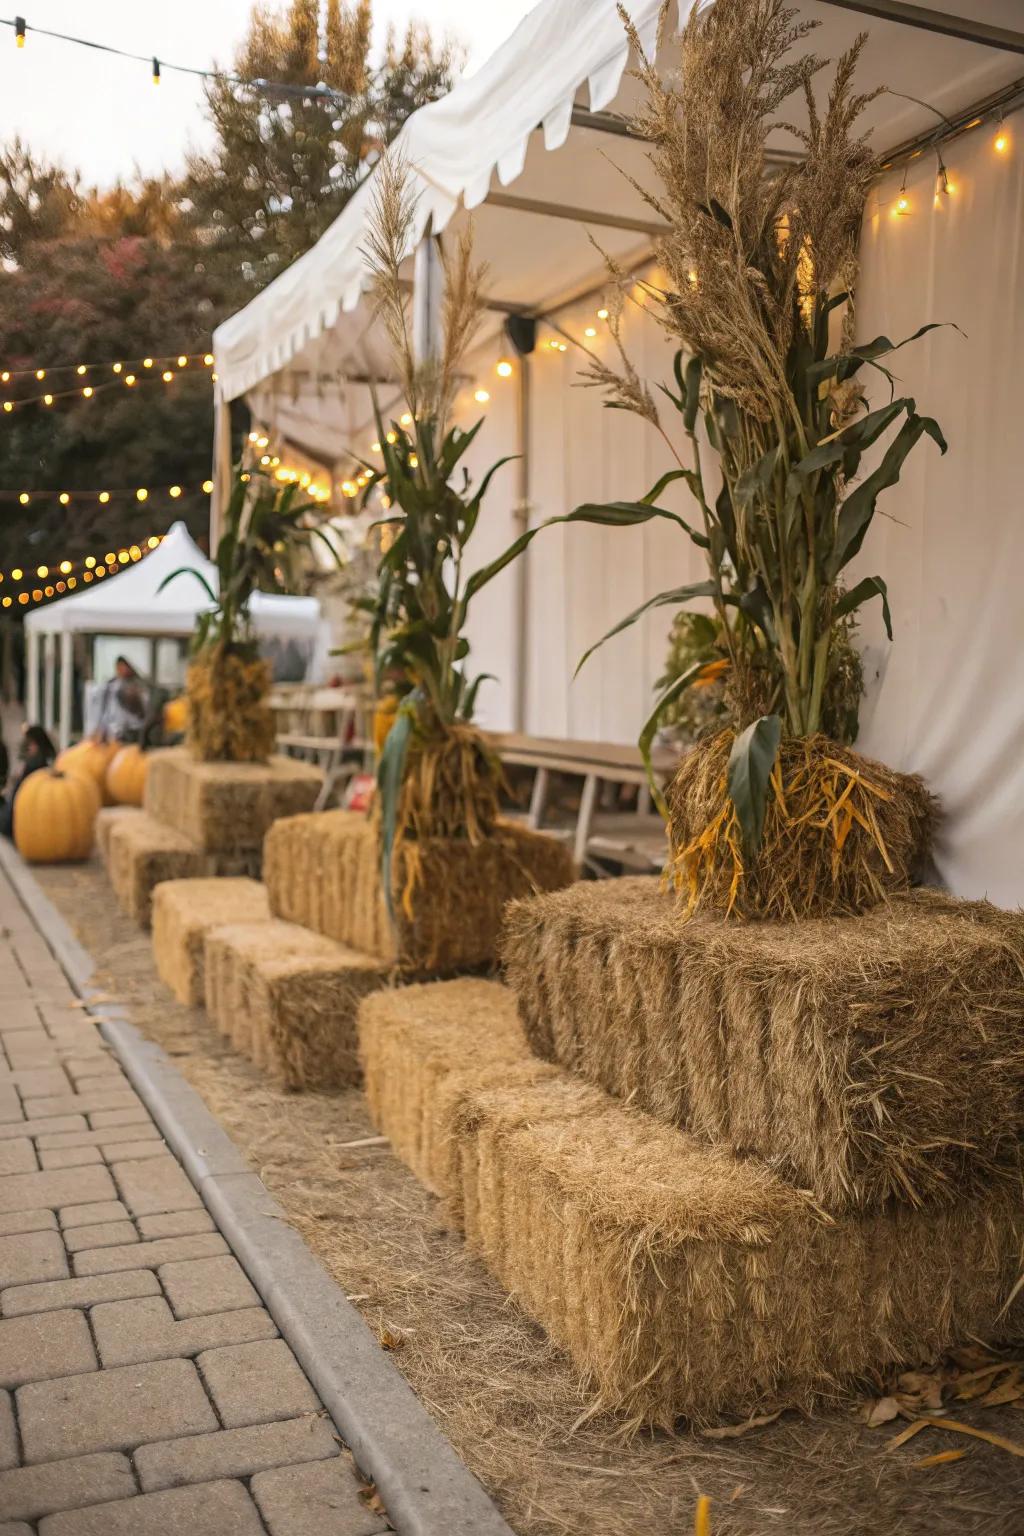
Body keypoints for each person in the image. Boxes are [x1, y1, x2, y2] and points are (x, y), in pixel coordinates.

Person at [0, 724, 55, 838]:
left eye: (30, 744)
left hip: (17, 821)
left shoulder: (34, 767)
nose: (28, 748)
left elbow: (16, 800)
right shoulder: (47, 764)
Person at [93, 656, 148, 743]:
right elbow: (105, 711)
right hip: (114, 729)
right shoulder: (111, 685)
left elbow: (143, 711)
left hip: (133, 728)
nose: (122, 670)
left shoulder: (138, 685)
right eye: (119, 667)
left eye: (124, 667)